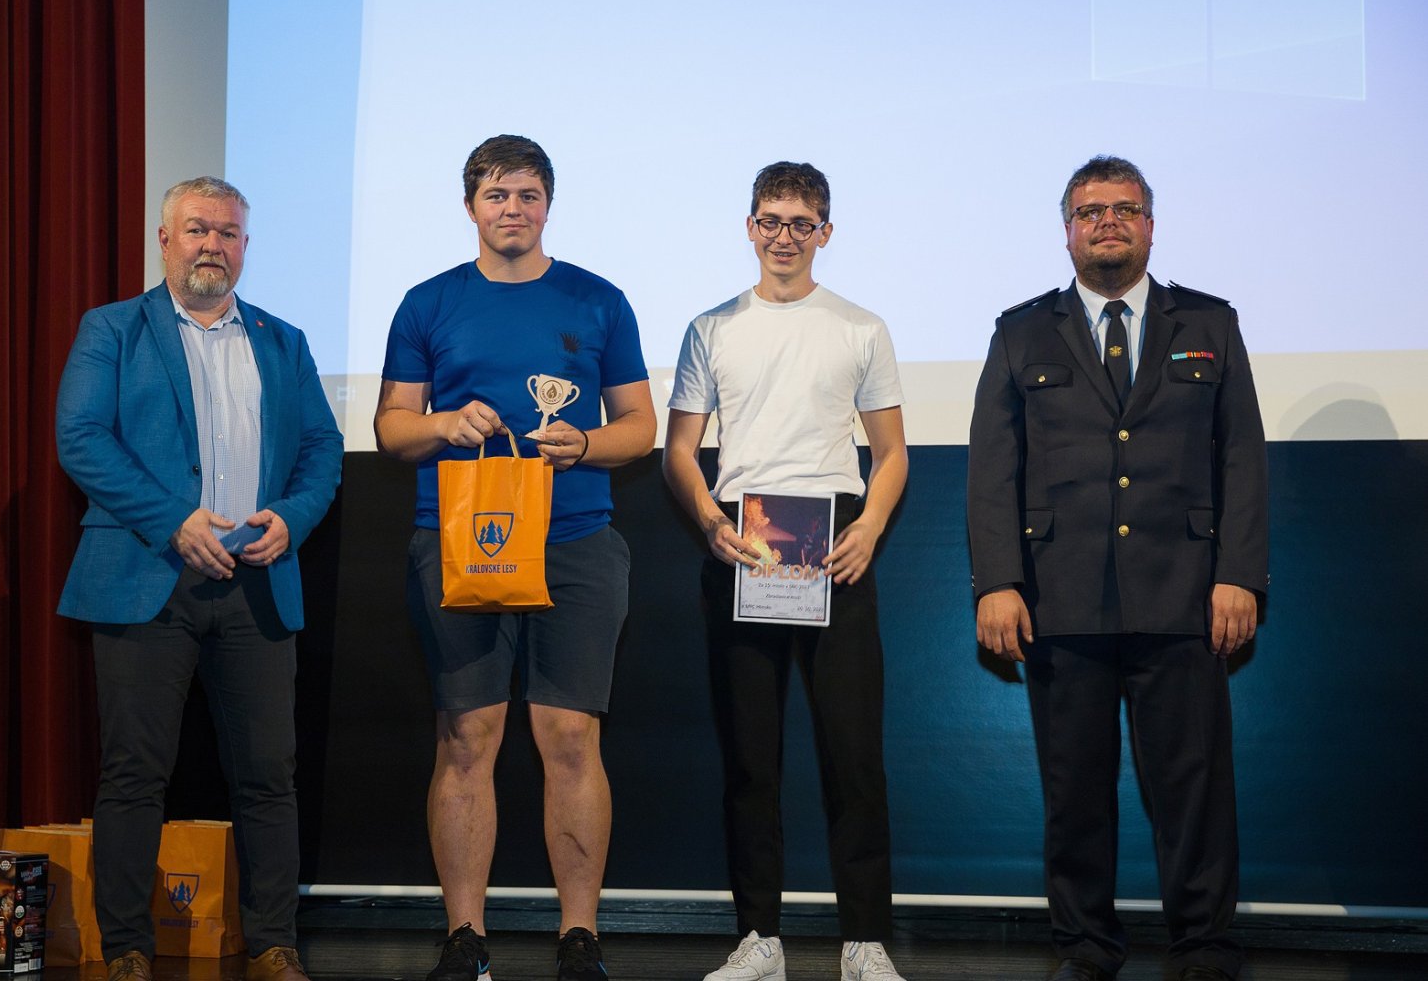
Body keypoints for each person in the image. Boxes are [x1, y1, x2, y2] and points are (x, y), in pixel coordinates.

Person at [967, 156, 1269, 981]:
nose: (1108, 222)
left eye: (1125, 209)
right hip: (1060, 600)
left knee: (1194, 792)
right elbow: (993, 469)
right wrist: (998, 581)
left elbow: (1241, 456)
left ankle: (1204, 948)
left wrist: (1239, 574)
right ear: (1066, 230)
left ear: (1150, 226)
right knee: (1074, 794)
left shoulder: (1209, 324)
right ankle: (1086, 948)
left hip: (1186, 598)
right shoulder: (1020, 331)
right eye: (1090, 210)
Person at [375, 135, 656, 981]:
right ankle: (465, 938)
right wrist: (443, 424)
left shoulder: (599, 300)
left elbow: (641, 428)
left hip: (576, 541)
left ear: (548, 206)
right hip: (461, 539)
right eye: (497, 195)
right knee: (468, 736)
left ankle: (580, 938)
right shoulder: (427, 303)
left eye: (529, 195)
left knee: (570, 736)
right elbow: (392, 428)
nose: (513, 209)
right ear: (470, 206)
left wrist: (587, 444)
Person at [56, 176, 343, 981]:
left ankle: (274, 944)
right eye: (196, 229)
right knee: (134, 773)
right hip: (147, 577)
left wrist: (293, 516)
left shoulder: (284, 340)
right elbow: (81, 438)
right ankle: (126, 950)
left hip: (257, 581)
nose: (212, 244)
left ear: (245, 246)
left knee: (268, 776)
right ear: (165, 239)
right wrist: (172, 520)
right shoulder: (113, 329)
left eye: (227, 232)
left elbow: (322, 448)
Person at [663, 162, 912, 981]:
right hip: (744, 543)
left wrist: (869, 528)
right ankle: (758, 939)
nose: (784, 237)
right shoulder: (710, 328)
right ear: (749, 227)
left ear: (825, 233)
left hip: (835, 546)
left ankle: (864, 942)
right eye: (770, 220)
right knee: (750, 757)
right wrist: (711, 522)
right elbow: (679, 450)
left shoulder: (860, 327)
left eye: (801, 223)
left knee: (853, 755)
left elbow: (891, 451)